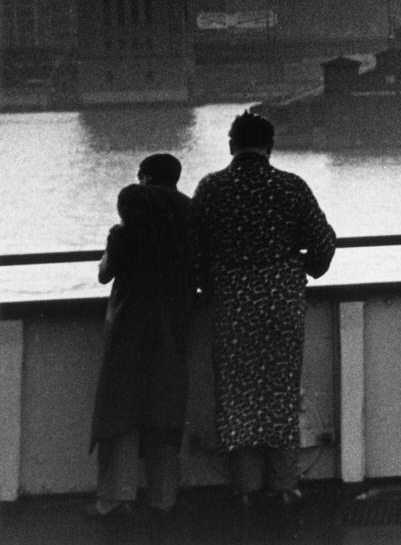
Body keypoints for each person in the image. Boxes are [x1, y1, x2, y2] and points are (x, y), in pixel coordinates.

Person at [190, 110, 336, 507]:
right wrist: (303, 269)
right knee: (280, 391)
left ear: (232, 145)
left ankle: (245, 489)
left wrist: (209, 282)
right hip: (281, 302)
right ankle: (285, 486)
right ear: (270, 146)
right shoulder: (291, 187)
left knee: (236, 394)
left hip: (231, 303)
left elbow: (194, 248)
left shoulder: (212, 187)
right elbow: (323, 244)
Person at [88, 153, 198, 520]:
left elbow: (105, 273)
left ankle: (116, 498)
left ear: (146, 179)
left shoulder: (127, 230)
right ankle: (164, 498)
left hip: (128, 328)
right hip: (174, 326)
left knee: (119, 412)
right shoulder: (188, 225)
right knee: (164, 412)